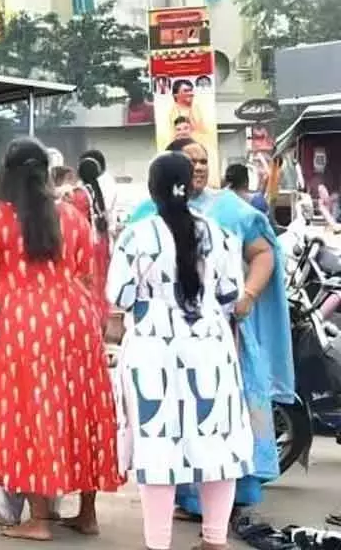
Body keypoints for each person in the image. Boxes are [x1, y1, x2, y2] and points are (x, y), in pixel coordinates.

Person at [0, 137, 120, 541]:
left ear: (7, 173)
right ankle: (87, 513)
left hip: (22, 327)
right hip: (76, 320)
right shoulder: (71, 215)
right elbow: (87, 273)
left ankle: (39, 519)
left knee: (29, 415)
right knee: (81, 409)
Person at [127, 138, 292, 525]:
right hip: (163, 341)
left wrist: (249, 295)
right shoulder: (147, 214)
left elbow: (263, 252)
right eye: (190, 161)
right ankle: (186, 501)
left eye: (204, 161)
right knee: (175, 418)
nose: (199, 167)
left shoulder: (229, 209)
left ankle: (229, 503)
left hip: (223, 335)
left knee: (222, 417)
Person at [109, 152, 252, 550]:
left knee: (158, 445)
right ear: (189, 187)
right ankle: (215, 540)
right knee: (215, 440)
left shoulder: (136, 235)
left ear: (152, 190)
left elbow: (119, 295)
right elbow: (230, 294)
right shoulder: (220, 233)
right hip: (210, 342)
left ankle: (159, 543)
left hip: (153, 346)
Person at [68, 156, 112, 322]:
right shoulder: (97, 190)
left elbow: (76, 221)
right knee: (100, 284)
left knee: (88, 284)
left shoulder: (79, 194)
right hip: (101, 242)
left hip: (87, 244)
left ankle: (90, 318)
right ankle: (101, 317)